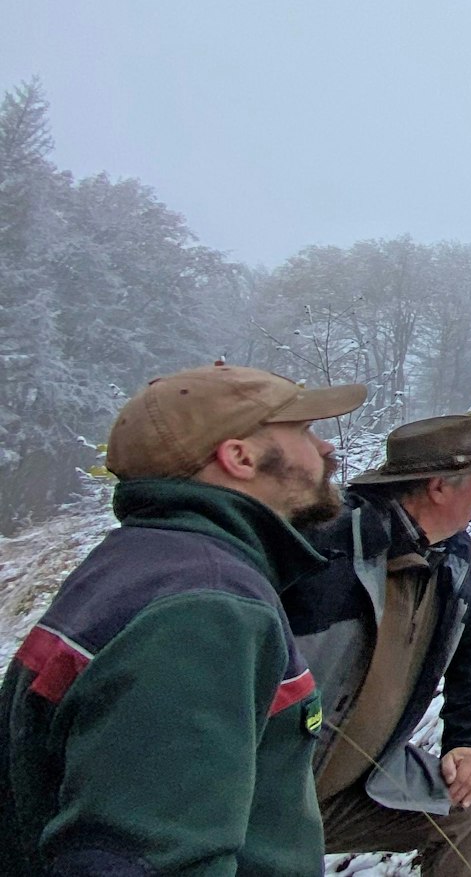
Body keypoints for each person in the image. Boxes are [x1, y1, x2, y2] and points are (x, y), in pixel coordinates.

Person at [0, 363, 365, 876]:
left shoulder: (143, 562)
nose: (326, 448)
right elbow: (145, 862)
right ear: (239, 456)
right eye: (304, 430)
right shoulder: (206, 608)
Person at [286, 413, 471, 877]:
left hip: (352, 783)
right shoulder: (324, 553)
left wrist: (468, 740)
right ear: (438, 486)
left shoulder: (450, 555)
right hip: (260, 794)